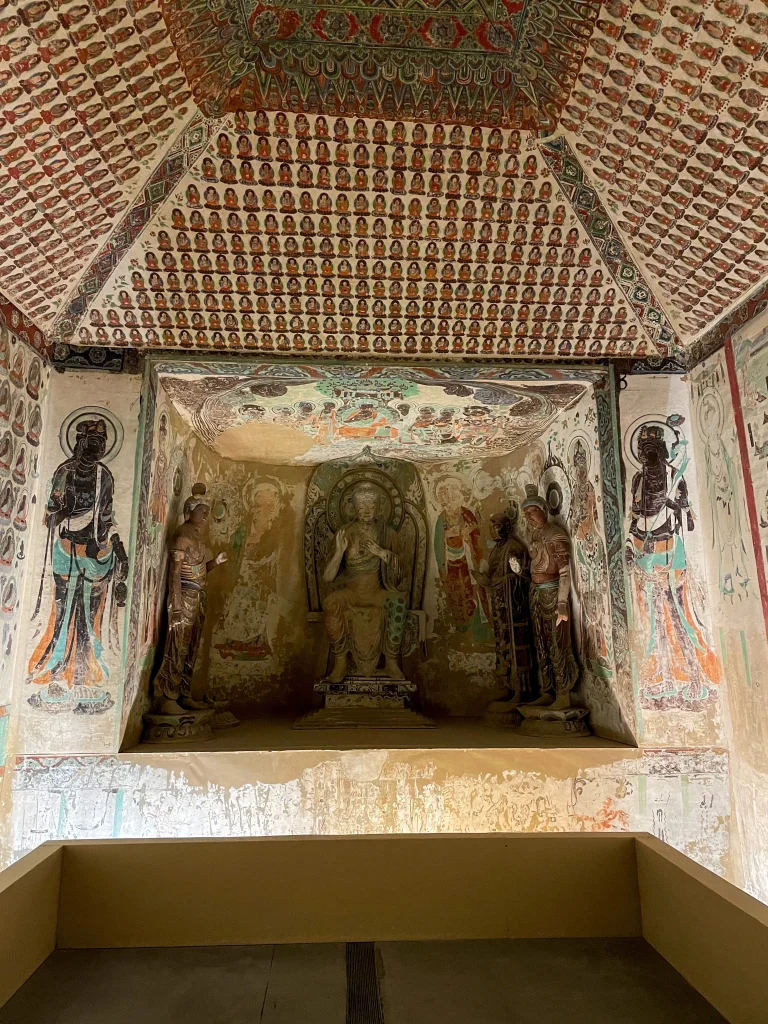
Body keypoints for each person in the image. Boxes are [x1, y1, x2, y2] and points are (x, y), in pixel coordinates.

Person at [150, 484, 227, 714]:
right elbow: (174, 573)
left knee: (192, 646)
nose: (205, 516)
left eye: (207, 511)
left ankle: (184, 692)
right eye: (201, 511)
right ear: (189, 512)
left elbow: (199, 570)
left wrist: (215, 563)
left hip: (198, 595)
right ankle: (167, 698)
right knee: (177, 646)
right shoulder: (182, 536)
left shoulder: (197, 537)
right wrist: (175, 604)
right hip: (184, 596)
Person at [322, 482, 408, 682]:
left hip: (378, 591)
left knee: (398, 602)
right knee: (330, 603)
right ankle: (340, 662)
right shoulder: (344, 533)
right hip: (351, 593)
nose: (366, 511)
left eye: (371, 506)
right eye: (361, 506)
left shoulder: (388, 534)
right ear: (354, 509)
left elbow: (403, 572)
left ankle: (391, 662)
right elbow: (328, 577)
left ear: (378, 508)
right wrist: (339, 552)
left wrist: (382, 553)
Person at [521, 485, 579, 709]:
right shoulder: (534, 535)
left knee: (557, 642)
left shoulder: (555, 534)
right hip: (536, 593)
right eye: (526, 514)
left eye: (533, 512)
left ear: (544, 510)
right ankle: (547, 689)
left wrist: (562, 602)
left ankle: (563, 692)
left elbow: (564, 571)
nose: (529, 518)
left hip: (553, 593)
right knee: (541, 643)